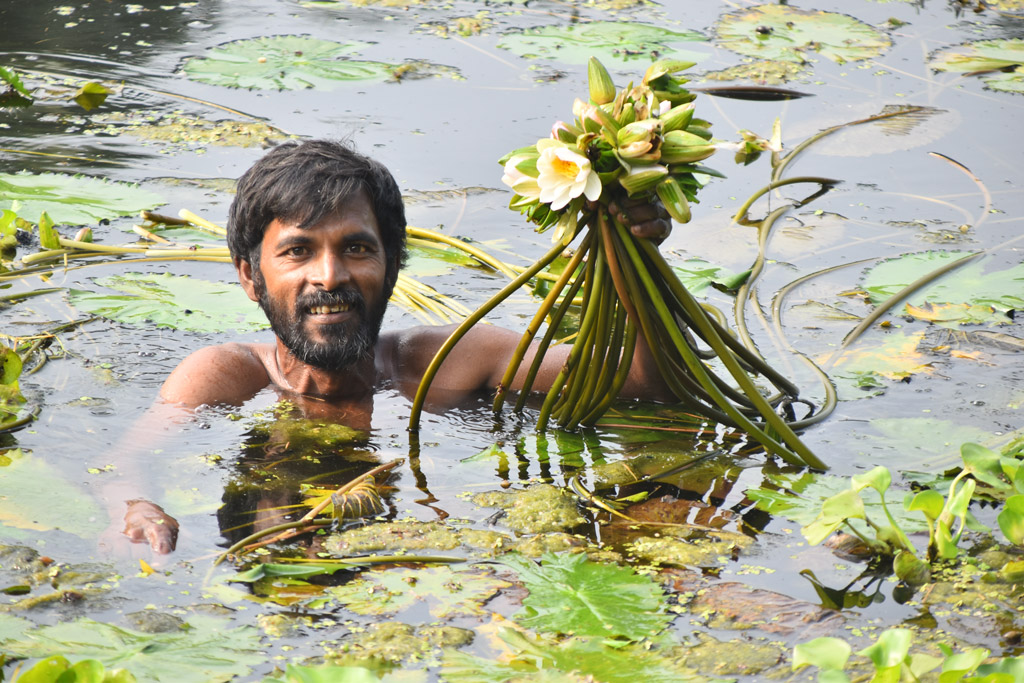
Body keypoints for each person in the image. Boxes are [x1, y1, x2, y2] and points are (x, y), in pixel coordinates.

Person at [111, 139, 675, 555]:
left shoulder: (442, 361)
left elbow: (643, 383)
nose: (329, 276)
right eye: (297, 251)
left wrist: (635, 255)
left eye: (356, 247)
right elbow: (130, 462)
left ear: (393, 264)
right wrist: (139, 506)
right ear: (249, 276)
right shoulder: (230, 376)